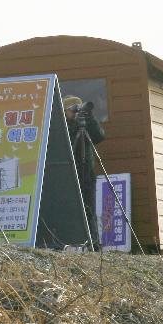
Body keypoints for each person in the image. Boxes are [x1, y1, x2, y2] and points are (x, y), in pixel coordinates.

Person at [64, 95, 106, 232]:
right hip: (67, 172)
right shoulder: (60, 126)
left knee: (89, 208)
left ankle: (93, 242)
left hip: (87, 173)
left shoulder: (86, 124)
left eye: (78, 109)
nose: (76, 113)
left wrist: (89, 118)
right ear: (64, 111)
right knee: (68, 207)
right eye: (72, 109)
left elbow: (99, 136)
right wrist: (73, 125)